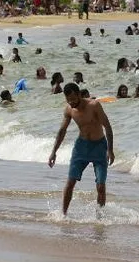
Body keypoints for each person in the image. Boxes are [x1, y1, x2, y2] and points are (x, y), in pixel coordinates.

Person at [47, 83, 115, 215]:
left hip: (99, 147)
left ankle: (99, 217)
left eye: (73, 99)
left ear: (79, 94)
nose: (71, 102)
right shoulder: (69, 110)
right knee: (70, 181)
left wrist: (110, 150)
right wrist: (53, 152)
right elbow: (62, 131)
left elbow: (107, 126)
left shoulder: (94, 105)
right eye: (68, 100)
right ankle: (63, 215)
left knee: (100, 186)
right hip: (81, 148)